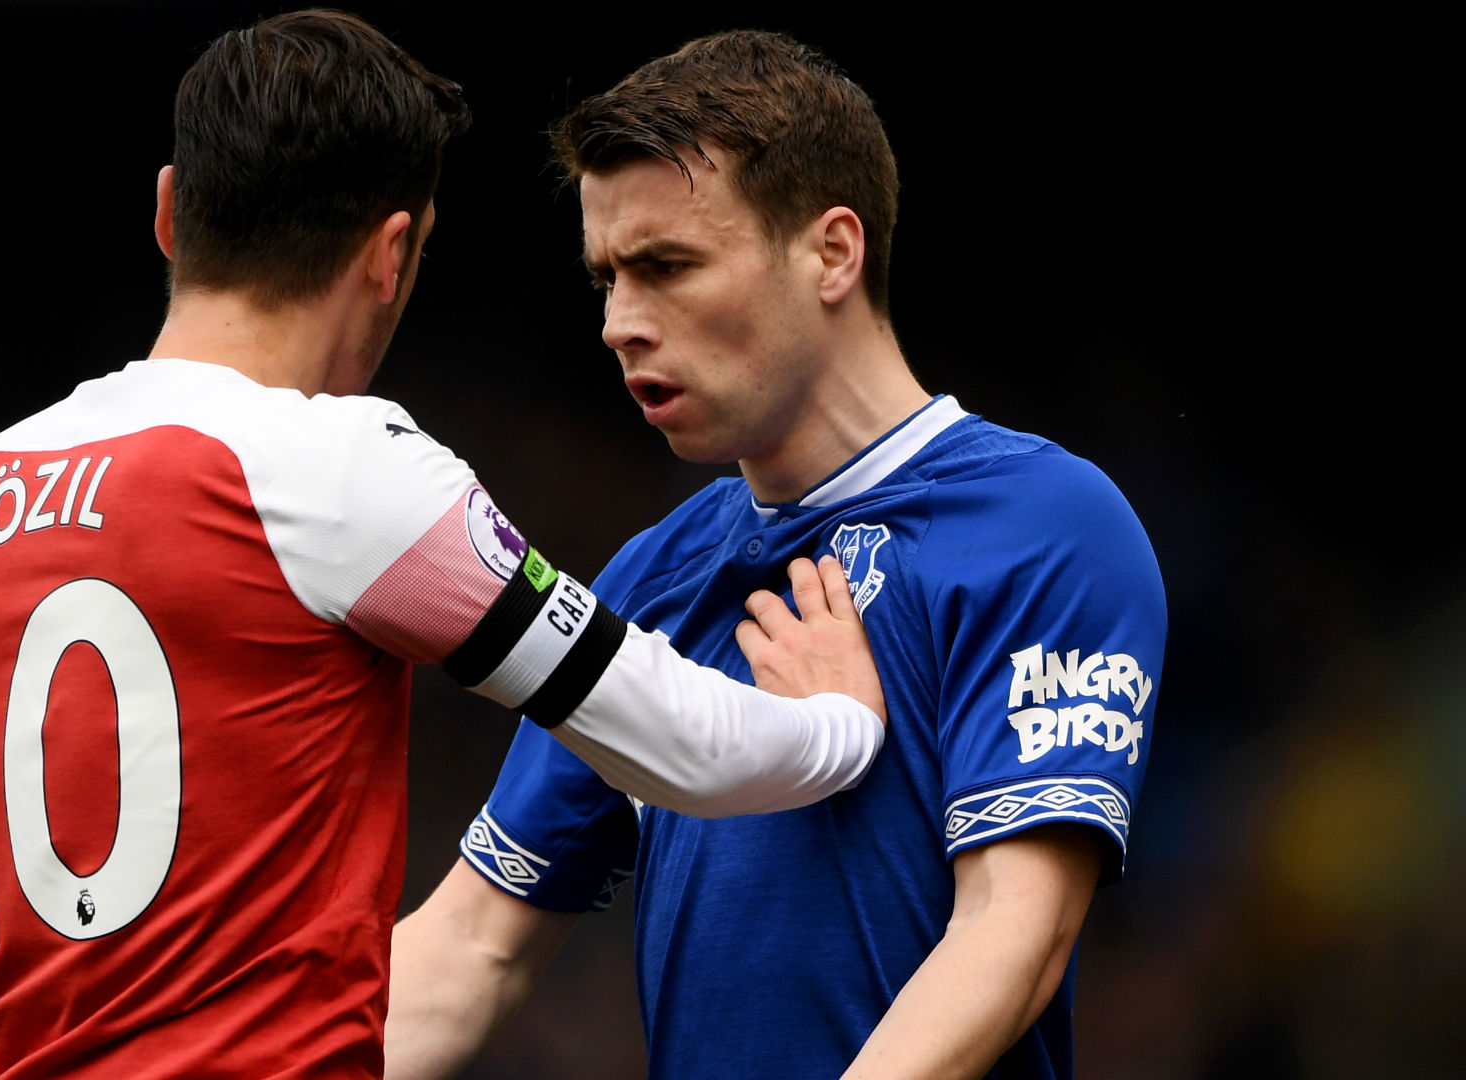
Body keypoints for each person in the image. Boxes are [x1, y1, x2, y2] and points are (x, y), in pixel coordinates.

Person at [0, 12, 892, 1080]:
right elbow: (680, 743)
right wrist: (839, 726)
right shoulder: (336, 471)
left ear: (171, 213)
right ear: (392, 253)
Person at [385, 29, 1167, 1080]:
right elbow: (472, 947)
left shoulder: (1042, 525)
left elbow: (1011, 933)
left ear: (833, 252)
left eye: (666, 267)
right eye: (607, 278)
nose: (619, 324)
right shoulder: (651, 576)